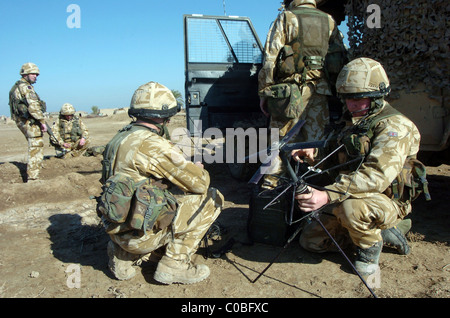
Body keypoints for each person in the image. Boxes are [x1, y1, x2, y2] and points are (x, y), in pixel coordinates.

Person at [292, 57, 423, 278]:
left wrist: (327, 195)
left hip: (386, 201)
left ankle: (369, 252)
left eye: (358, 99)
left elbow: (376, 177)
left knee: (352, 209)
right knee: (311, 242)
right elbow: (339, 161)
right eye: (347, 99)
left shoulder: (395, 127)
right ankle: (378, 233)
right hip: (351, 194)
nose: (351, 105)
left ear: (376, 96)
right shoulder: (354, 122)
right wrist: (313, 156)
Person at [98, 81, 224, 285]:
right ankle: (174, 266)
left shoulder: (119, 137)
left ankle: (122, 255)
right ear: (164, 115)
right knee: (211, 198)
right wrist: (197, 169)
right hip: (140, 235)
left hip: (115, 229)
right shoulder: (152, 144)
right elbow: (198, 184)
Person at [257, 0, 348, 189]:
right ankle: (318, 188)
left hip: (290, 94)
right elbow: (341, 56)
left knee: (279, 143)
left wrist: (265, 92)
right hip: (320, 92)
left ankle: (270, 190)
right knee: (316, 145)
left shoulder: (287, 17)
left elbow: (270, 58)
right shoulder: (329, 21)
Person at [8, 62, 47, 182]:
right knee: (36, 145)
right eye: (33, 74)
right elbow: (33, 106)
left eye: (36, 74)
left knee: (34, 144)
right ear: (25, 74)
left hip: (22, 120)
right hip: (27, 120)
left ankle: (32, 173)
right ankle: (33, 177)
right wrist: (42, 121)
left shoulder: (18, 86)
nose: (36, 76)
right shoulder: (26, 87)